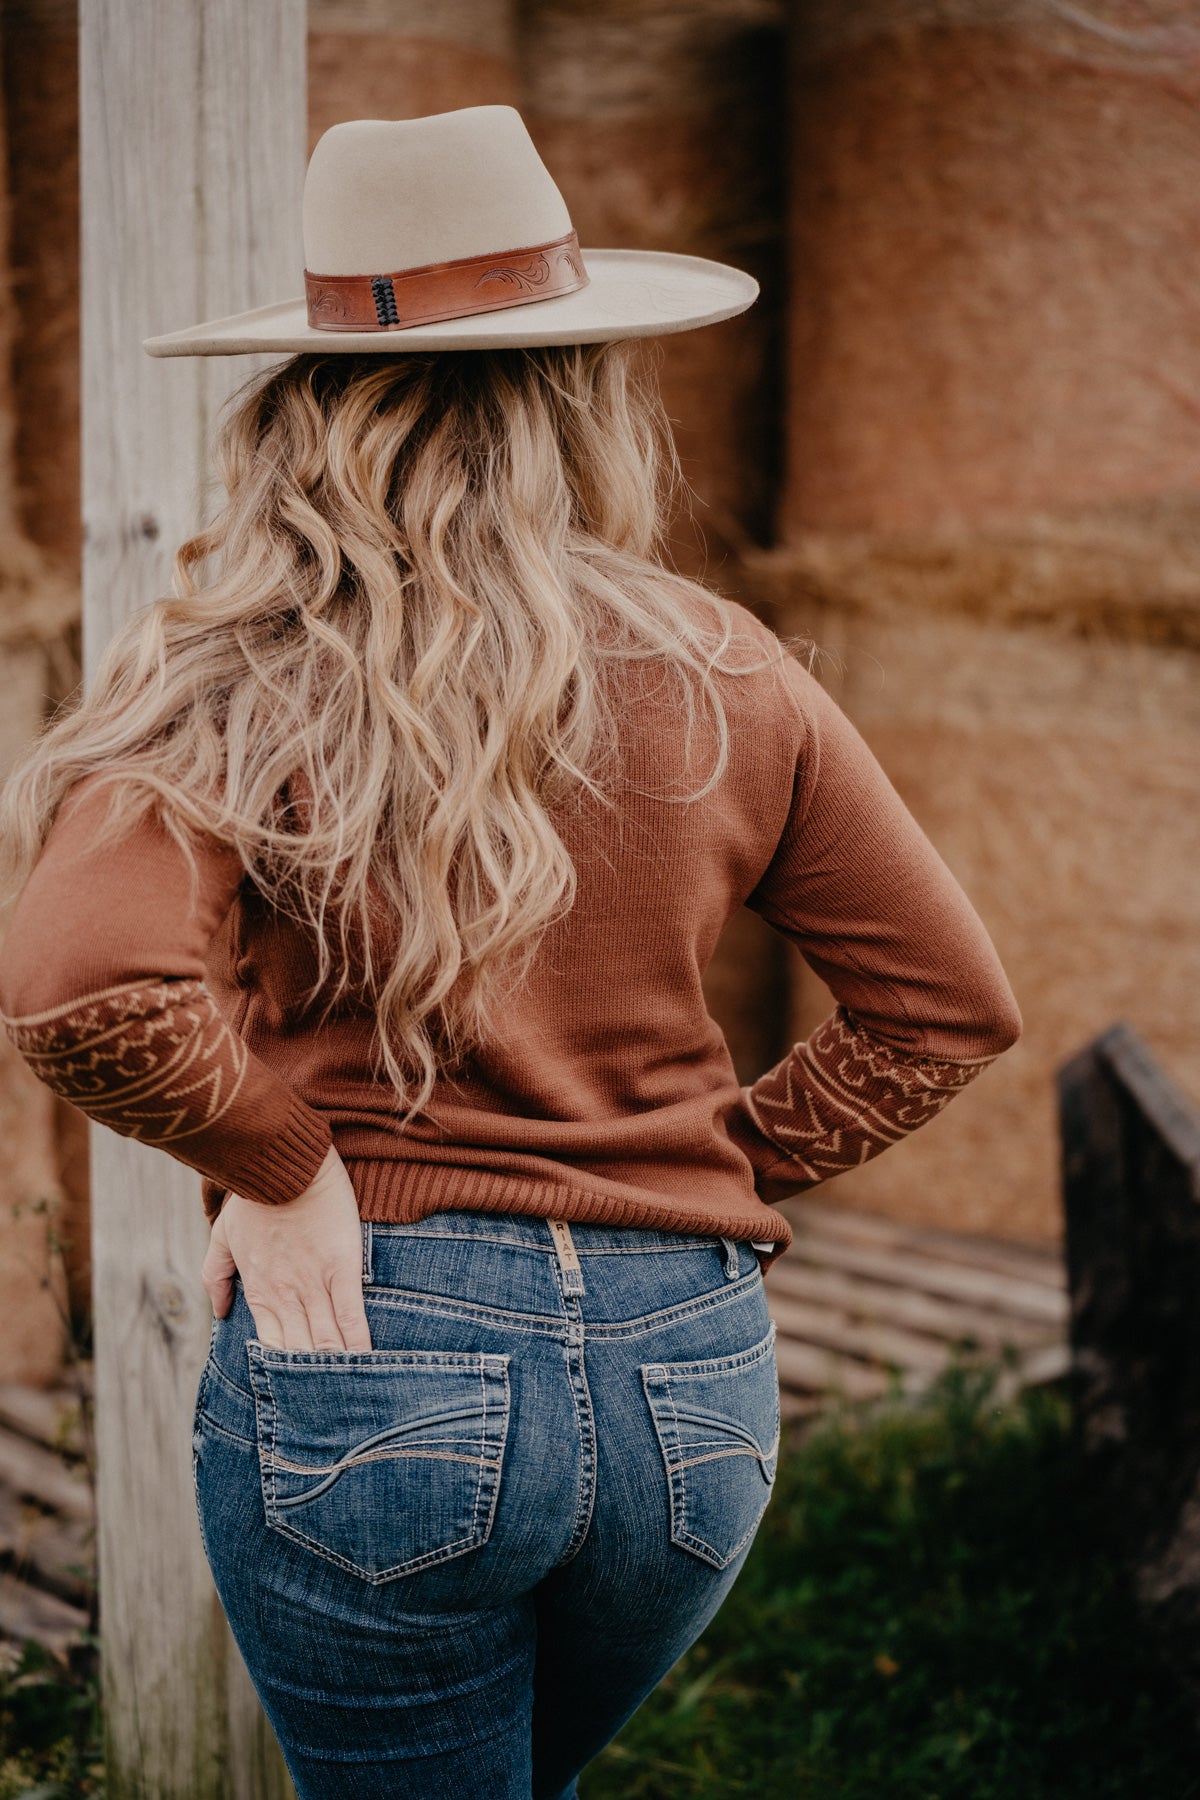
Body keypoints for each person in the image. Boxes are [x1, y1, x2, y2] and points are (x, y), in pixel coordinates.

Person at [0, 107, 1020, 1799]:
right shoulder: (725, 664)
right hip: (694, 1381)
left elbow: (77, 982)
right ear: (584, 389)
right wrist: (698, 1174)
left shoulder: (235, 669)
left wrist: (280, 1161)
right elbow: (947, 1008)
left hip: (374, 1356)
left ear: (308, 394)